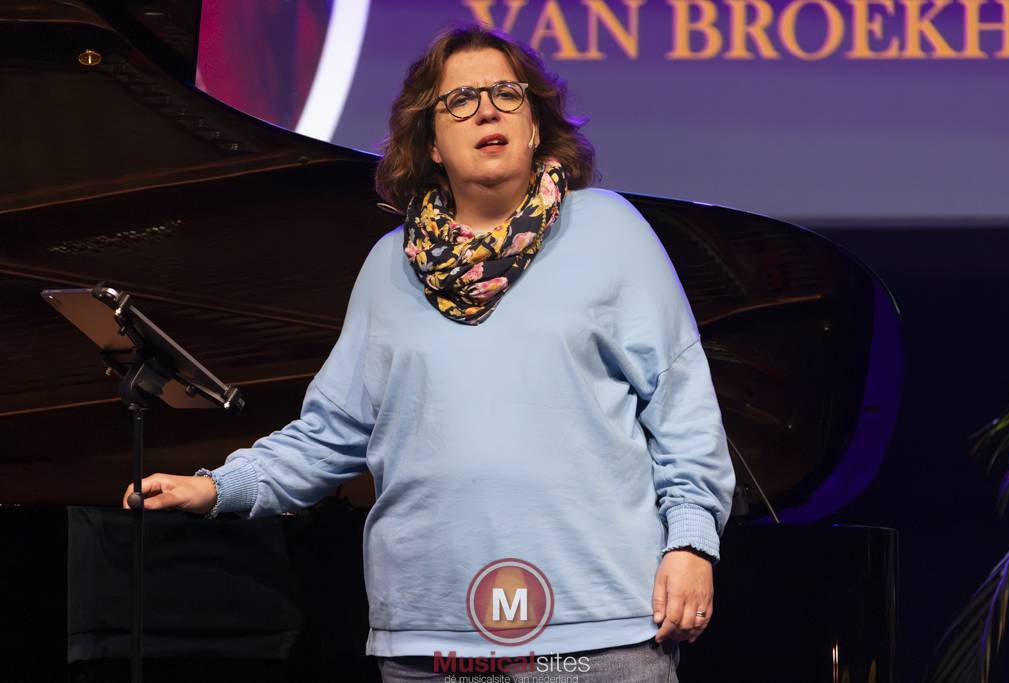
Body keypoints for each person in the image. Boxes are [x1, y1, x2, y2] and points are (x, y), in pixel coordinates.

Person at [122, 24, 736, 682]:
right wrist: (218, 486)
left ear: (535, 126)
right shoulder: (387, 267)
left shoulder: (610, 230)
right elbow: (331, 433)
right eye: (460, 100)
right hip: (429, 638)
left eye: (506, 93)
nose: (487, 111)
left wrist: (691, 542)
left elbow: (682, 409)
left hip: (598, 629)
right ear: (433, 144)